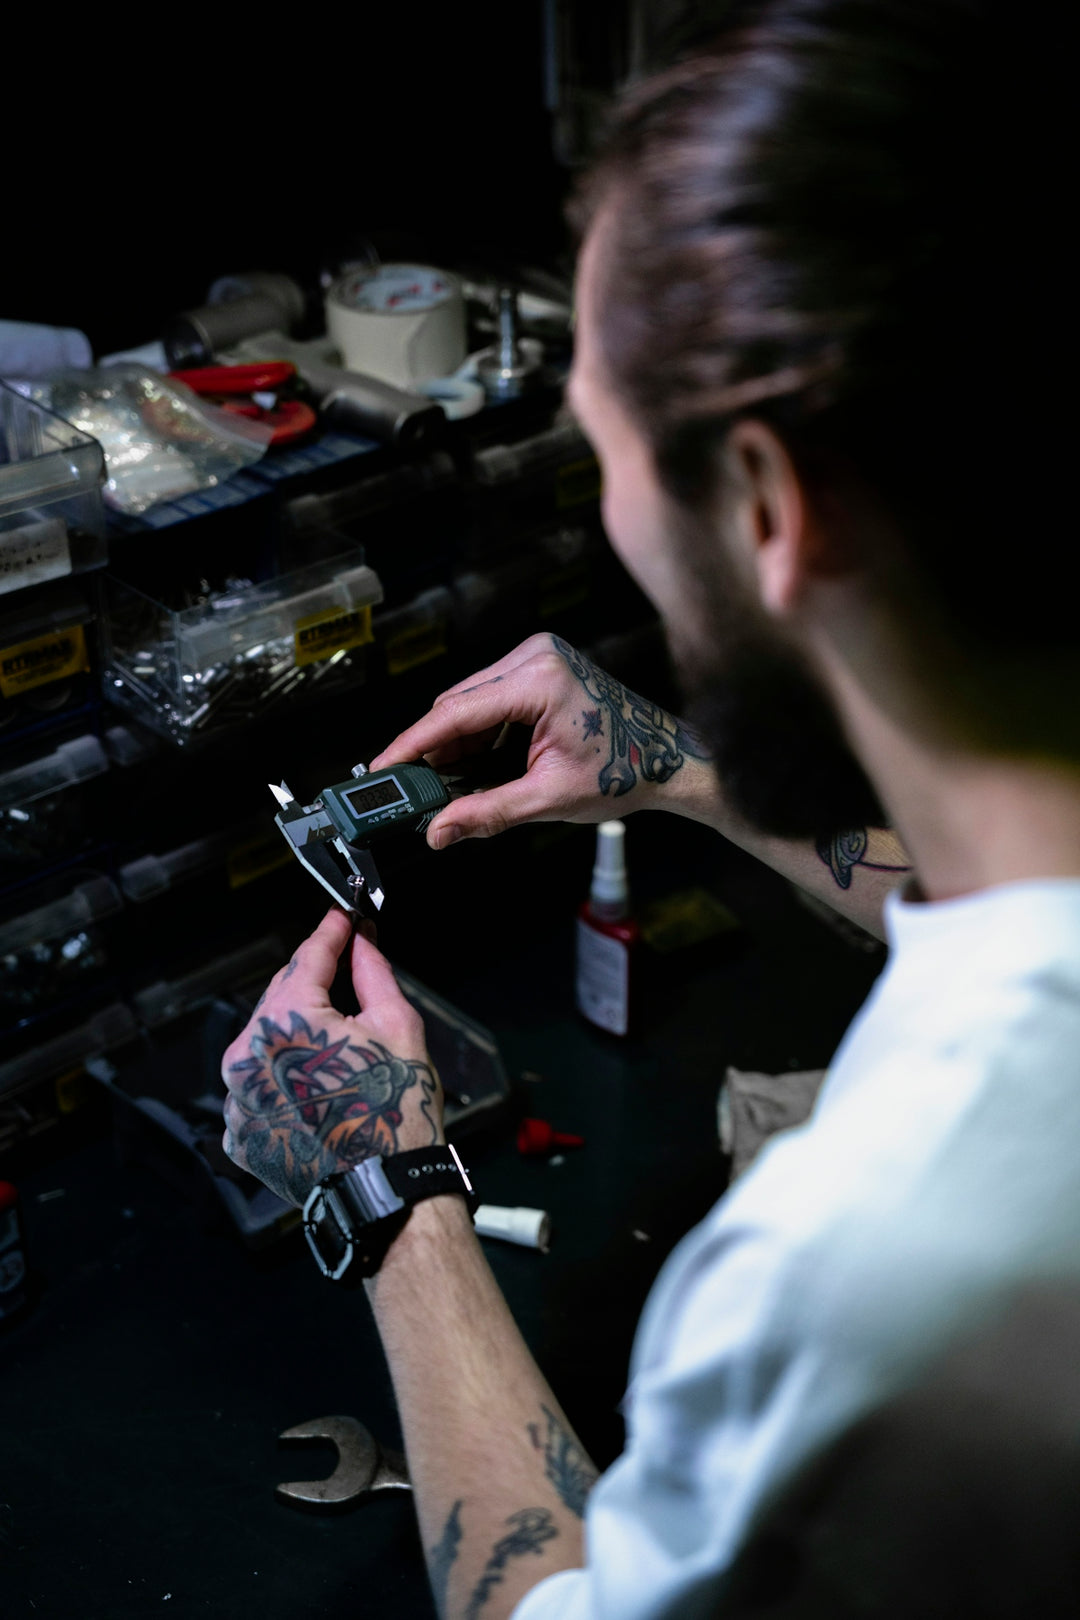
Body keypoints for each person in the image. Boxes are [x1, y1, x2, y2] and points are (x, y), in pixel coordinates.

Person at [222, 3, 1080, 1614]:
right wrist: (689, 771)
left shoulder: (869, 1262)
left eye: (604, 444)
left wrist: (387, 1193)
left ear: (763, 506)